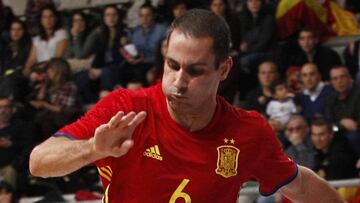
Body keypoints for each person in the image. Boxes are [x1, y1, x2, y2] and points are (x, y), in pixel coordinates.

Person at [29, 9, 343, 202]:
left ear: (223, 70)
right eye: (172, 65)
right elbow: (39, 162)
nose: (178, 81)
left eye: (195, 71)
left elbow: (299, 185)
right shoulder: (125, 108)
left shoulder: (247, 131)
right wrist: (92, 151)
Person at [325, 65, 360, 156]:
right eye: (335, 79)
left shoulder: (358, 94)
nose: (339, 81)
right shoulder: (331, 99)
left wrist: (337, 125)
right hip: (338, 134)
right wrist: (341, 124)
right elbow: (329, 124)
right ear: (331, 82)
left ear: (350, 78)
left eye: (342, 77)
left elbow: (356, 126)